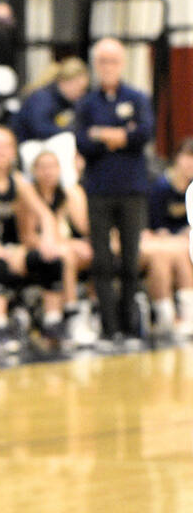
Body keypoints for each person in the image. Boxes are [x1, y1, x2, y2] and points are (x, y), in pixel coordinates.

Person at [74, 38, 154, 344]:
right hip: (98, 191)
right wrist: (120, 134)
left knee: (131, 260)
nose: (108, 67)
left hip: (132, 189)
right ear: (96, 65)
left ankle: (131, 325)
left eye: (114, 60)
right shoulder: (87, 103)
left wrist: (103, 134)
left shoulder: (137, 97)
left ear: (122, 63)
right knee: (102, 261)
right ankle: (109, 329)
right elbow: (83, 141)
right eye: (103, 61)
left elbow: (143, 133)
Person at [0, 125, 65, 352]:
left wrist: (47, 241)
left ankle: (53, 323)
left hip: (3, 249)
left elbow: (45, 214)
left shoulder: (17, 180)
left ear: (14, 151)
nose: (1, 152)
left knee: (49, 259)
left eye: (6, 146)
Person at [27, 150, 94, 342]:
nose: (48, 172)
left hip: (64, 248)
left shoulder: (67, 194)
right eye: (43, 167)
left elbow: (83, 227)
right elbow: (28, 236)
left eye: (53, 166)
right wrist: (64, 244)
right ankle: (71, 314)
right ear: (34, 171)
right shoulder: (29, 194)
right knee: (63, 256)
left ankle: (93, 311)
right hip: (37, 251)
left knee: (95, 253)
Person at [142, 138, 193, 337]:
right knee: (171, 254)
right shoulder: (159, 187)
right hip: (158, 242)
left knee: (182, 250)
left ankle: (185, 315)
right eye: (187, 157)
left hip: (182, 243)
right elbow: (151, 226)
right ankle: (167, 316)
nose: (191, 163)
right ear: (176, 159)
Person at [12, 57, 90, 142]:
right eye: (81, 89)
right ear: (66, 82)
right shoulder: (42, 98)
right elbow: (40, 129)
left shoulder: (69, 103)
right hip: (26, 144)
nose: (82, 94)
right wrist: (73, 131)